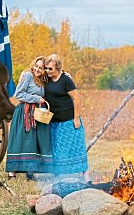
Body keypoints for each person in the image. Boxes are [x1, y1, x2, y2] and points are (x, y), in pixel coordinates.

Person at [44, 54, 91, 182]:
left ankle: (86, 175)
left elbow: (76, 98)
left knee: (77, 148)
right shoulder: (46, 79)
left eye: (50, 69)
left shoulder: (66, 80)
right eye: (46, 68)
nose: (47, 71)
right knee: (57, 150)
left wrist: (76, 119)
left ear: (58, 68)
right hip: (54, 122)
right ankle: (57, 176)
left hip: (69, 121)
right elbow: (32, 71)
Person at [5, 56, 53, 180]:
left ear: (45, 70)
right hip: (24, 113)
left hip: (36, 113)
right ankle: (12, 173)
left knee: (32, 142)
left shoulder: (43, 80)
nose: (37, 69)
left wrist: (66, 74)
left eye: (41, 68)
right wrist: (36, 99)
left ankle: (30, 172)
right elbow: (18, 94)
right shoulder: (28, 76)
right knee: (21, 141)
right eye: (36, 66)